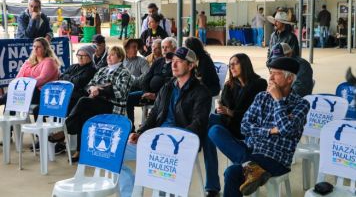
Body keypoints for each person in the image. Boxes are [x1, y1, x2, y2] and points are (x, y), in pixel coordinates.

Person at [119, 47, 212, 197]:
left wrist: (174, 140)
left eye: (179, 62)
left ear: (191, 65)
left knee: (163, 179)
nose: (173, 65)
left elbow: (198, 123)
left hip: (180, 143)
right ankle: (130, 193)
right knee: (117, 152)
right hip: (156, 139)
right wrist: (140, 132)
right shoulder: (168, 86)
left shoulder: (201, 91)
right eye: (173, 61)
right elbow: (154, 113)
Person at [220, 57, 310, 197]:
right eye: (271, 72)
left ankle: (251, 168)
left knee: (231, 173)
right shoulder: (262, 97)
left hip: (275, 158)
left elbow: (286, 130)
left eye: (276, 73)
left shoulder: (301, 104)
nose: (271, 77)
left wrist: (278, 100)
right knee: (215, 131)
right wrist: (270, 131)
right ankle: (252, 168)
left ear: (289, 79)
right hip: (252, 150)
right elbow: (244, 126)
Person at [204, 53, 267, 197]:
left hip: (248, 128)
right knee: (211, 124)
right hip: (230, 125)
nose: (231, 67)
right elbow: (224, 109)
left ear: (245, 64)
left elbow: (255, 114)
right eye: (230, 64)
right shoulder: (229, 85)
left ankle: (214, 185)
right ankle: (249, 165)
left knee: (212, 129)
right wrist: (221, 110)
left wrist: (230, 112)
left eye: (235, 63)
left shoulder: (259, 84)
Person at [64, 46, 132, 162]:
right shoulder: (102, 70)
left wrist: (99, 90)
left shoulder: (124, 73)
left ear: (120, 58)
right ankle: (81, 151)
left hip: (113, 106)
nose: (109, 57)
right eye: (108, 54)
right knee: (83, 115)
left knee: (83, 101)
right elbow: (89, 85)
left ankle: (66, 127)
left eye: (112, 55)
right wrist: (92, 88)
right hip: (98, 103)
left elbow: (120, 92)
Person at [0, 37, 60, 106]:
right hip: (26, 90)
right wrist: (17, 85)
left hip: (42, 93)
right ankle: (4, 103)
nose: (35, 49)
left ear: (45, 49)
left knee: (17, 94)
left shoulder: (49, 61)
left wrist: (24, 85)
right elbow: (18, 78)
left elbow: (42, 79)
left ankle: (2, 100)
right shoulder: (28, 62)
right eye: (34, 46)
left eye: (38, 47)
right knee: (13, 93)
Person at [123, 38, 150, 128]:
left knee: (128, 98)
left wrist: (131, 80)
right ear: (126, 49)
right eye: (133, 47)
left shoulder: (142, 61)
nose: (136, 49)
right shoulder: (121, 61)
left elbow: (146, 76)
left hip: (137, 90)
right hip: (122, 89)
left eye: (137, 47)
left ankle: (131, 128)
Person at [141, 37, 177, 103]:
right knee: (130, 98)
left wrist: (156, 95)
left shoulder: (176, 64)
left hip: (165, 96)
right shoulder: (158, 61)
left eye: (167, 47)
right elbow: (146, 78)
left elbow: (172, 86)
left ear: (174, 49)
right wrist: (146, 92)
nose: (164, 50)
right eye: (162, 47)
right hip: (148, 93)